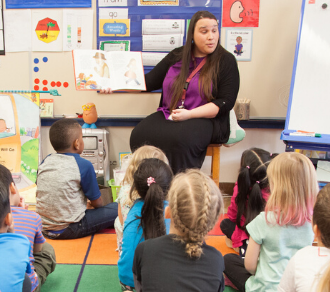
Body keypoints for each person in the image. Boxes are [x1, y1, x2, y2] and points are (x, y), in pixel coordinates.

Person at [125, 10, 240, 173]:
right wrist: (114, 85)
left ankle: (182, 188)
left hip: (206, 118)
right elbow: (148, 82)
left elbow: (225, 102)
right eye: (204, 31)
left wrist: (190, 114)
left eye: (214, 30)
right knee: (140, 134)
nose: (211, 37)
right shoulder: (178, 55)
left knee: (182, 140)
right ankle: (151, 186)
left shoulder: (226, 60)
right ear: (192, 33)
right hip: (171, 113)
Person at [223, 152, 318, 292]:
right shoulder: (312, 222)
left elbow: (250, 266)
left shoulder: (265, 219)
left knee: (228, 260)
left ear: (275, 185)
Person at [0, 162, 56, 292]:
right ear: (12, 187)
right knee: (46, 250)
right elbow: (37, 250)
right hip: (23, 290)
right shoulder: (32, 217)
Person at [36, 118, 118, 239]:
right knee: (118, 208)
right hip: (71, 228)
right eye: (82, 138)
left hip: (43, 228)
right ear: (77, 143)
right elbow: (98, 203)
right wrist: (89, 205)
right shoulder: (83, 165)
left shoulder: (45, 161)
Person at [118, 159, 173, 290]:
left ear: (135, 187)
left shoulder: (132, 212)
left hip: (131, 283)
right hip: (169, 284)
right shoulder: (174, 211)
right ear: (170, 186)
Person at [114, 146, 169, 251]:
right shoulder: (166, 198)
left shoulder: (125, 191)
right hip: (161, 248)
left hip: (130, 246)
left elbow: (121, 220)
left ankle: (121, 248)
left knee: (117, 221)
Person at [220, 148, 271, 255]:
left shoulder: (240, 187)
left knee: (225, 224)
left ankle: (243, 245)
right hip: (269, 235)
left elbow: (233, 216)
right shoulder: (273, 190)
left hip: (247, 233)